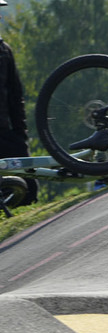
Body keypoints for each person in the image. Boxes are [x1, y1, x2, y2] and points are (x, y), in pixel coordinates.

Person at [0, 0, 37, 205]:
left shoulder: (4, 50)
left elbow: (15, 97)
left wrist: (21, 136)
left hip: (5, 134)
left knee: (29, 190)